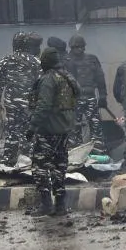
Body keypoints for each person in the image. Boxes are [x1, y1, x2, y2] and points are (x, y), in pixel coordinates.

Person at [29, 48, 79, 217]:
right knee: (59, 166)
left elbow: (43, 105)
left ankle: (45, 205)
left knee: (39, 167)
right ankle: (60, 205)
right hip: (64, 129)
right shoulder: (67, 76)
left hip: (48, 129)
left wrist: (32, 126)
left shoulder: (48, 79)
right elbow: (77, 95)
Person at [0, 33, 40, 164]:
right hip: (29, 105)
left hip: (11, 104)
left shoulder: (6, 61)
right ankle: (27, 160)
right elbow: (41, 84)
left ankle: (8, 161)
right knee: (28, 132)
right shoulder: (36, 61)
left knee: (12, 132)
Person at [64, 34, 107, 148]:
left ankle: (98, 150)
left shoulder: (92, 59)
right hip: (73, 99)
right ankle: (74, 152)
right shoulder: (66, 60)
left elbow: (100, 78)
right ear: (72, 47)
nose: (80, 49)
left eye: (81, 46)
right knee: (74, 128)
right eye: (77, 46)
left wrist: (103, 96)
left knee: (96, 126)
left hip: (90, 97)